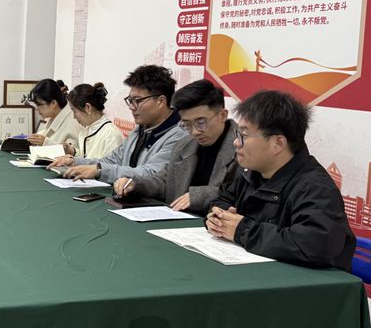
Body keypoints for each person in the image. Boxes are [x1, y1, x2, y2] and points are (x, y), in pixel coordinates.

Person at [205, 89, 355, 270]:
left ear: (278, 143)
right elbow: (222, 199)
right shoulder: (252, 173)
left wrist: (243, 230)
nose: (236, 142)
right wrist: (219, 218)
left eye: (244, 136)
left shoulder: (315, 188)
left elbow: (313, 245)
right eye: (238, 134)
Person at [112, 79, 237, 214]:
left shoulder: (244, 148)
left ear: (222, 115)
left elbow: (240, 193)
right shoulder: (184, 144)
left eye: (201, 123)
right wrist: (134, 184)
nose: (195, 132)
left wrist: (199, 196)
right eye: (187, 124)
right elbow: (164, 181)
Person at [52, 65, 186, 183]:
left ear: (161, 101)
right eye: (130, 100)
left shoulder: (179, 136)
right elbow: (113, 160)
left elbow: (151, 174)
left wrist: (99, 170)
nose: (132, 107)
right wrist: (75, 161)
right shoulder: (139, 130)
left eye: (138, 100)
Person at [62, 83, 125, 160]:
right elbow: (87, 157)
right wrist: (73, 151)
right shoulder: (88, 130)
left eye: (74, 111)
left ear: (88, 107)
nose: (74, 117)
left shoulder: (111, 135)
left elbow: (108, 165)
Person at [25, 78, 82, 149]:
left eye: (39, 105)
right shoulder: (53, 116)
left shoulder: (74, 120)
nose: (37, 109)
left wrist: (46, 142)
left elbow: (74, 152)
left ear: (53, 103)